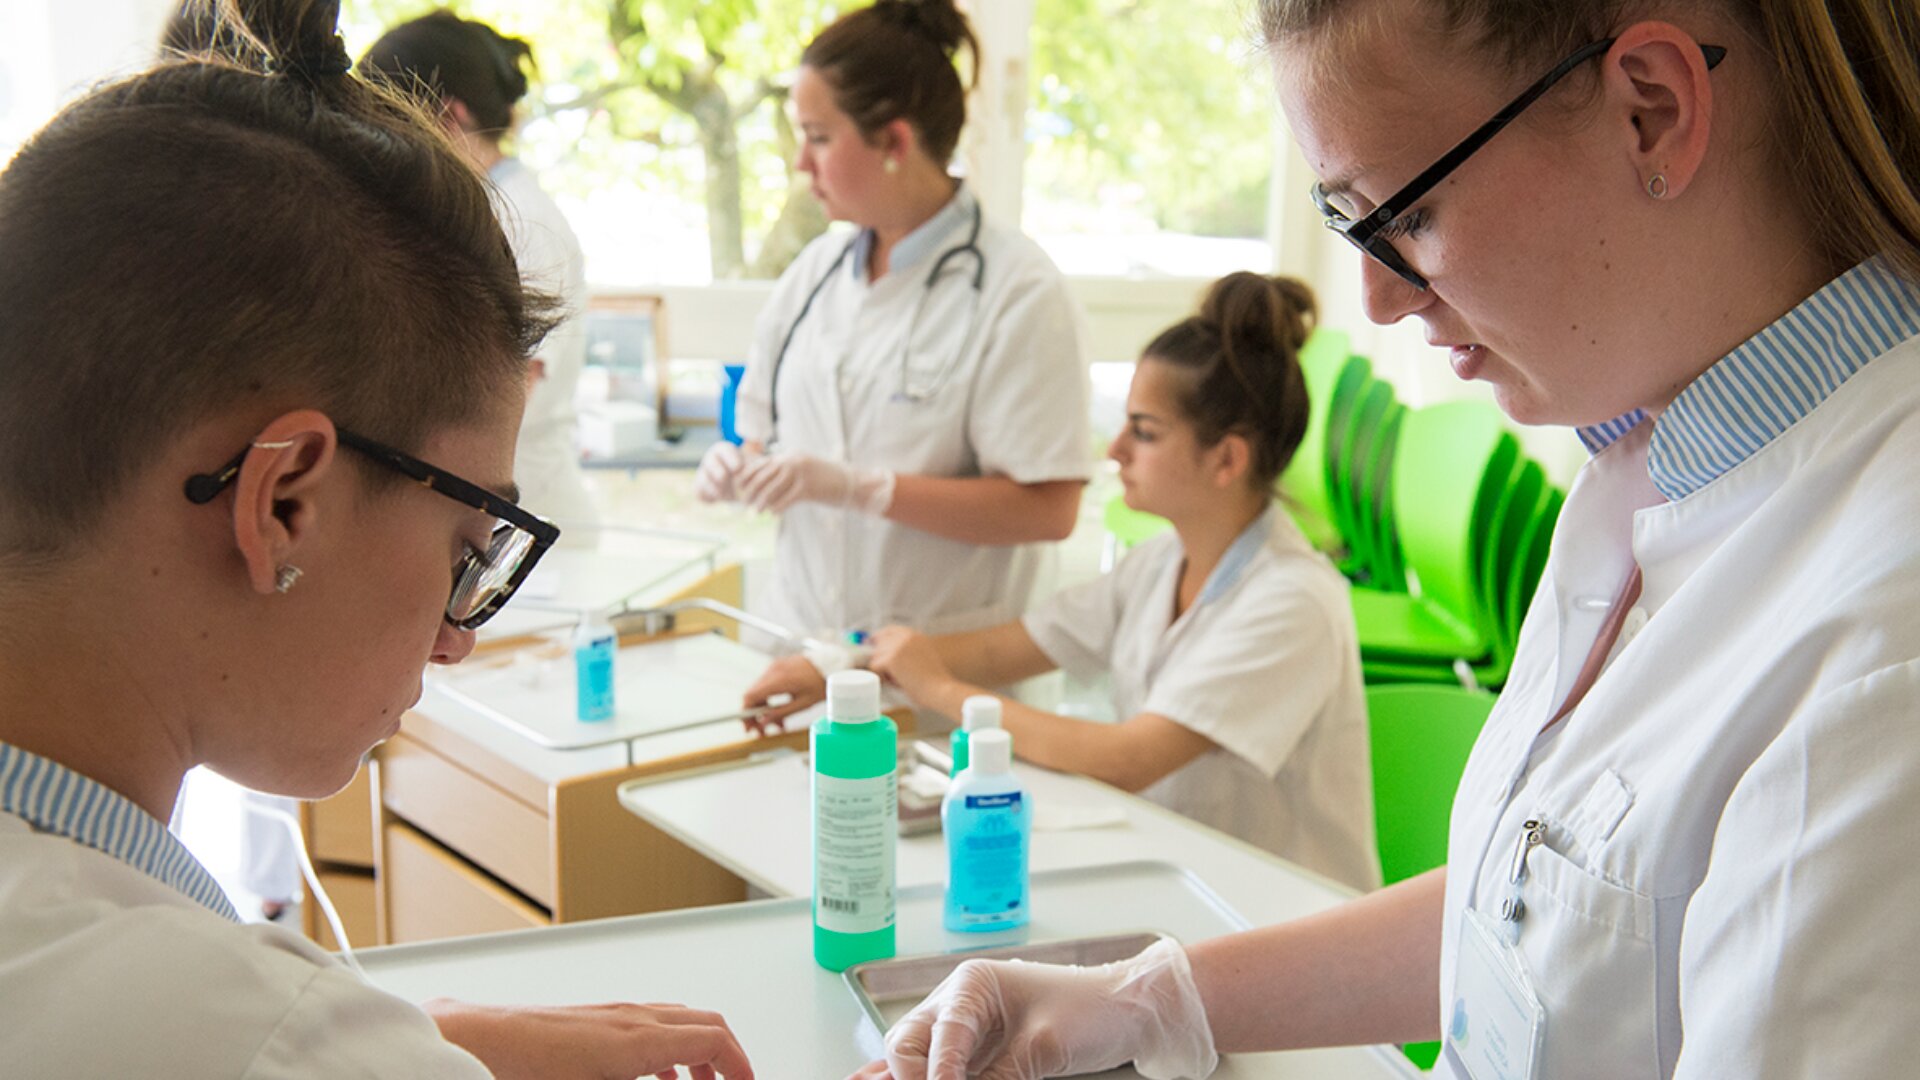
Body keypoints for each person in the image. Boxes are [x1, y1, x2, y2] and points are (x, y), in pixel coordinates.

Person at [856, 0, 1920, 1077]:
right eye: (1347, 226)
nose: (1374, 297)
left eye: (1403, 217)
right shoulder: (1646, 469)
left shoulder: (1883, 654)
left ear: (1649, 109)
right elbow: (1543, 908)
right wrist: (1140, 998)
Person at [0, 1, 750, 1076]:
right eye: (465, 551)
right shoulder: (258, 1035)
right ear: (282, 502)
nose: (457, 642)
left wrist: (406, 1036)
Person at [867, 272, 1379, 891]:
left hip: (1285, 917)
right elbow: (1007, 647)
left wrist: (939, 688)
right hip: (1186, 879)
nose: (1115, 450)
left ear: (1227, 459)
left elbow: (1126, 759)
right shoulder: (1160, 562)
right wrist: (847, 668)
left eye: (1144, 431)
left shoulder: (1294, 602)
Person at [696, 0, 1092, 725]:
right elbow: (757, 428)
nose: (799, 163)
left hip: (944, 676)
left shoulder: (1018, 291)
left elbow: (1049, 508)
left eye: (818, 137)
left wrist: (858, 487)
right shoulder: (812, 273)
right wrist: (738, 462)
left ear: (894, 140)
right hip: (803, 656)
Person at [359, 10, 601, 537]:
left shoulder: (525, 224)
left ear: (448, 117)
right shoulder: (468, 217)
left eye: (388, 129)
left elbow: (507, 398)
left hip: (527, 522)